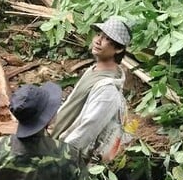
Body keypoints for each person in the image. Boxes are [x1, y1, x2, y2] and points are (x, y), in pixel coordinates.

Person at [51, 16, 132, 162]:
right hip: (56, 143)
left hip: (67, 157)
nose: (98, 40)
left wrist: (60, 158)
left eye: (107, 39)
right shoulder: (93, 70)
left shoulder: (108, 90)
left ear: (119, 49)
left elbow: (86, 130)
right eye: (99, 34)